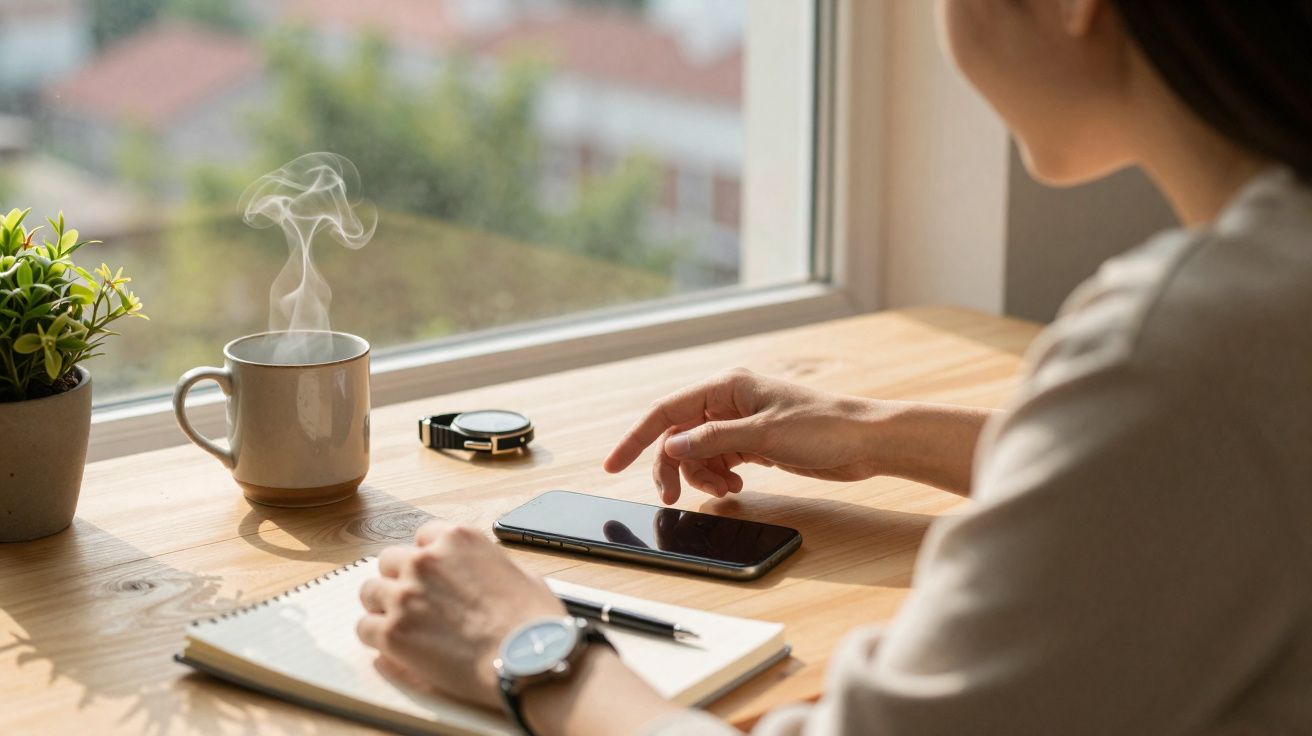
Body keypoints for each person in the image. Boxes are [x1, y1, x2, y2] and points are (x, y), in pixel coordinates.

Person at [356, 1, 1312, 733]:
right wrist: (879, 435)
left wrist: (528, 650)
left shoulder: (1188, 340)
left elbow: (1187, 422)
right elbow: (1203, 473)